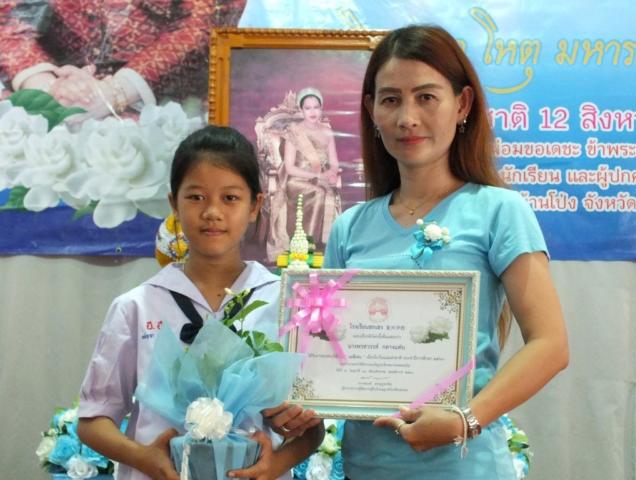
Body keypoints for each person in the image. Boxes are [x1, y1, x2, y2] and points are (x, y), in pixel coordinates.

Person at [322, 25, 569, 479]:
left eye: (426, 97)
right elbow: (324, 355)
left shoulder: (500, 211)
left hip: (466, 468)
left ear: (463, 104)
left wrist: (464, 420)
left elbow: (550, 345)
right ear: (371, 110)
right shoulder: (348, 228)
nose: (407, 117)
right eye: (391, 99)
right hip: (365, 468)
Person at [77, 125, 323, 480]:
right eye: (195, 197)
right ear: (174, 204)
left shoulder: (286, 303)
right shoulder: (136, 307)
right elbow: (93, 419)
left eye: (230, 198)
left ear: (255, 206)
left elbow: (313, 427)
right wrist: (144, 458)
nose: (212, 212)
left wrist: (277, 464)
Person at [0, 0, 246, 119]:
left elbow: (204, 26)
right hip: (47, 103)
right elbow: (10, 19)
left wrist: (113, 93)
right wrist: (46, 88)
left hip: (166, 108)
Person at [266, 87, 341, 260]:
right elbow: (290, 168)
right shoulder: (294, 132)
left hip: (319, 179)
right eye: (308, 108)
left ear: (321, 109)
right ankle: (306, 245)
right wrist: (318, 177)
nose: (312, 112)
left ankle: (320, 246)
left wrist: (332, 172)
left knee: (323, 191)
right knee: (319, 192)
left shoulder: (327, 132)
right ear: (301, 110)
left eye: (316, 107)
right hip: (296, 181)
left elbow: (334, 162)